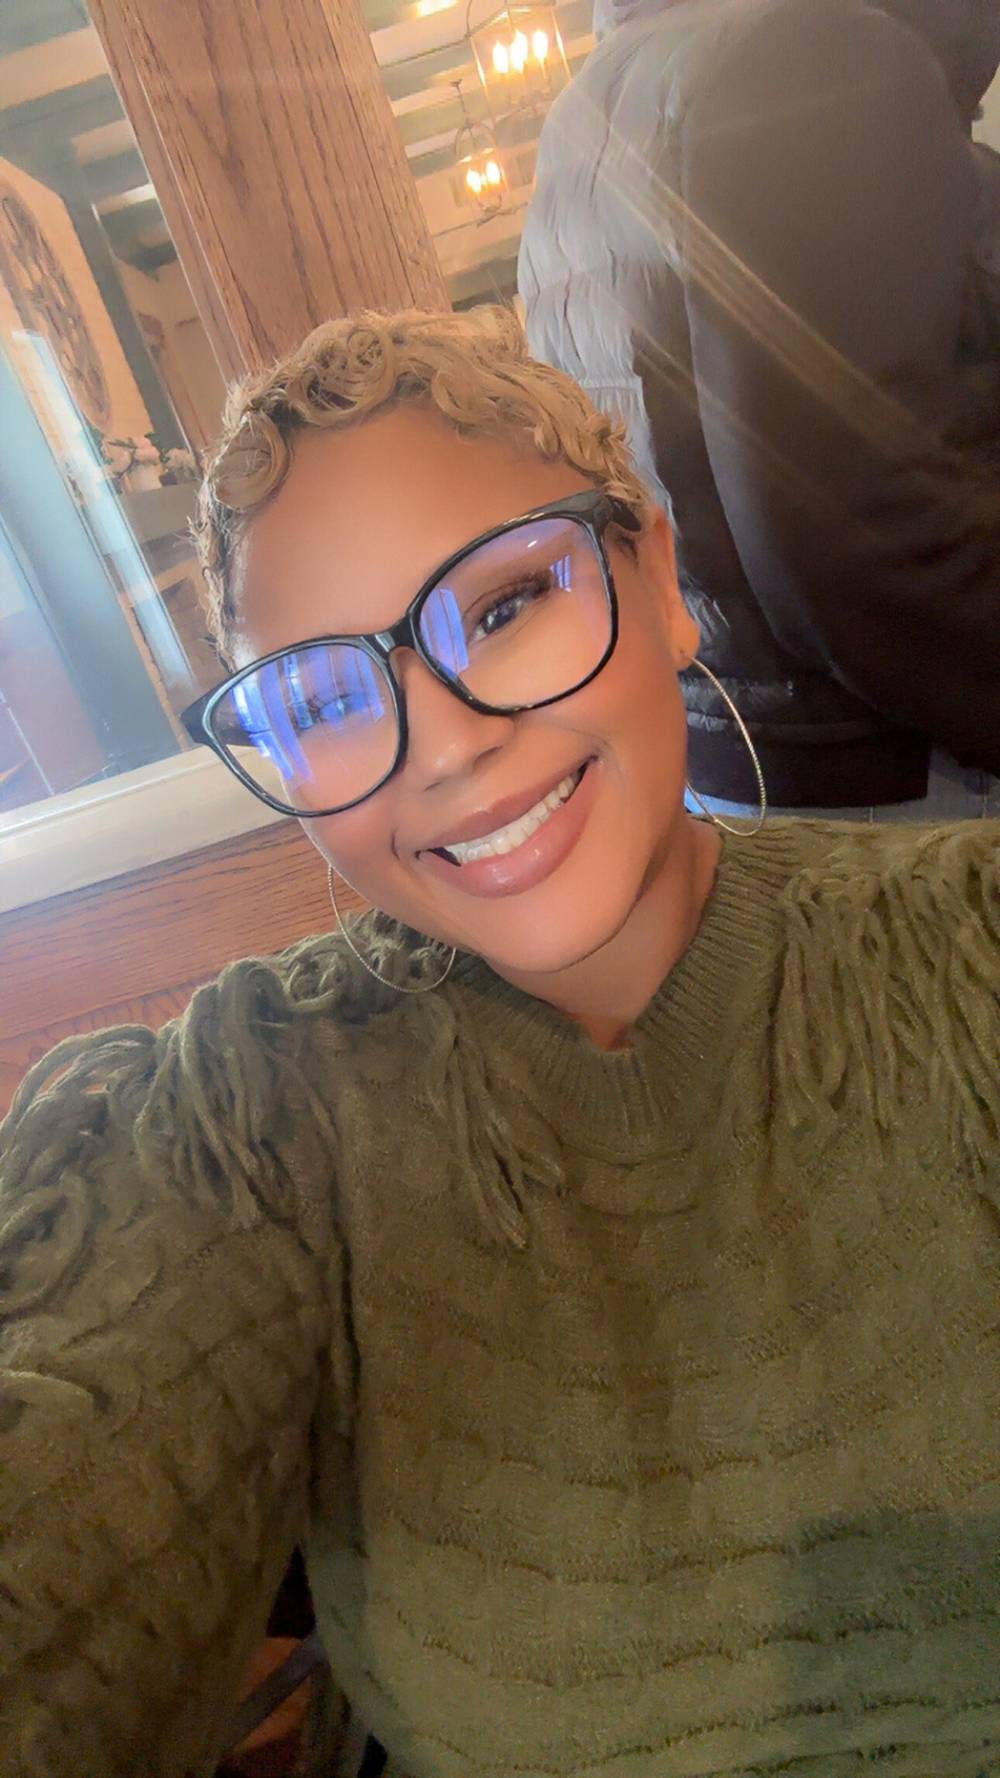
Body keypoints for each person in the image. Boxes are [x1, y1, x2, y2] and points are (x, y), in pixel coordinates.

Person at [1, 308, 998, 1778]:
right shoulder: (257, 1113)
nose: (450, 743)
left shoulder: (966, 948)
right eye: (328, 695)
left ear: (659, 579)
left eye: (509, 602)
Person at [518, 0, 1000, 820]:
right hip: (908, 757)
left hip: (752, 753)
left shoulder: (599, 99)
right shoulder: (809, 59)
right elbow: (854, 537)